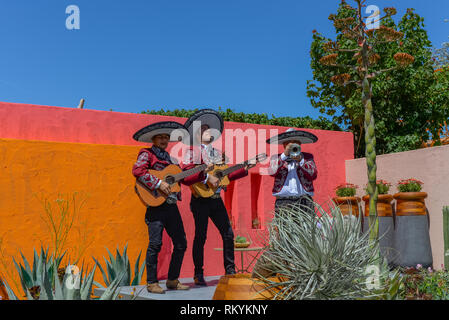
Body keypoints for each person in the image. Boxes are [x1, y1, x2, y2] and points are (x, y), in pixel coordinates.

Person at [132, 121, 211, 294]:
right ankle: (151, 282)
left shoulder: (170, 159)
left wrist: (202, 171)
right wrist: (159, 183)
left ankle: (173, 280)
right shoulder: (147, 154)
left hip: (171, 205)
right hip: (155, 205)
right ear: (153, 138)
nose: (164, 140)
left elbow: (183, 178)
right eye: (160, 137)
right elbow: (137, 171)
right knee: (155, 244)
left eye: (166, 137)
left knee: (181, 243)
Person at [180, 109, 254, 286]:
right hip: (200, 199)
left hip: (216, 200)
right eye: (204, 129)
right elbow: (186, 174)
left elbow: (224, 175)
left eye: (209, 129)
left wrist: (245, 168)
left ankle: (230, 271)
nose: (208, 131)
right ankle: (198, 273)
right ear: (198, 134)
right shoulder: (192, 151)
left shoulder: (218, 153)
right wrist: (206, 178)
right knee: (201, 236)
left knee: (228, 234)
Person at [267, 128, 318, 214]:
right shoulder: (276, 158)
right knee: (284, 226)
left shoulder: (307, 157)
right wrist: (284, 156)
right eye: (288, 143)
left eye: (295, 142)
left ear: (299, 144)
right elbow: (271, 172)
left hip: (304, 201)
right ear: (284, 145)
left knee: (306, 227)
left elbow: (313, 174)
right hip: (283, 202)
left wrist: (301, 161)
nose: (292, 146)